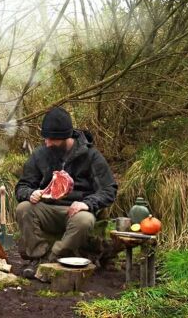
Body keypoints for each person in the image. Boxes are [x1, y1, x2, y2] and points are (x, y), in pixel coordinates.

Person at [15, 106, 117, 278]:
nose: (47, 143)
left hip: (76, 212)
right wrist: (29, 193)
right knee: (24, 208)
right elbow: (22, 186)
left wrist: (87, 203)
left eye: (52, 139)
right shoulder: (40, 155)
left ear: (66, 137)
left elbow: (109, 190)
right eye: (45, 138)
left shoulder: (91, 156)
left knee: (84, 220)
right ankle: (37, 258)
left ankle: (54, 258)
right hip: (48, 210)